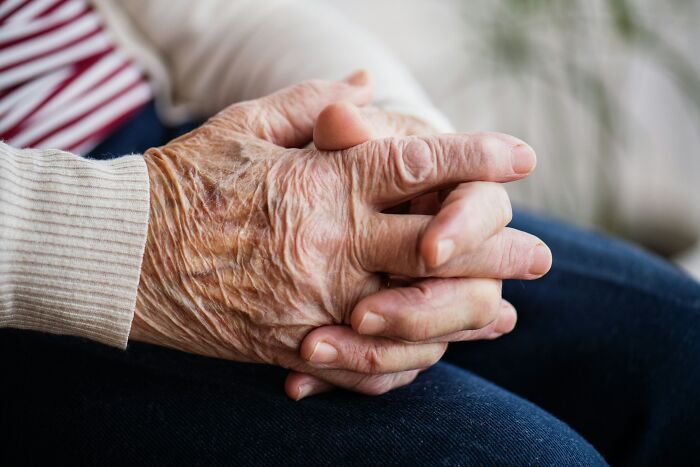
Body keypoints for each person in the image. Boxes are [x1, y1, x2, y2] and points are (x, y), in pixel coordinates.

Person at [1, 1, 699, 466]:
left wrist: (401, 142)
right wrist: (136, 238)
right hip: (43, 245)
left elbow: (208, 16)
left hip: (183, 150)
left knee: (679, 348)